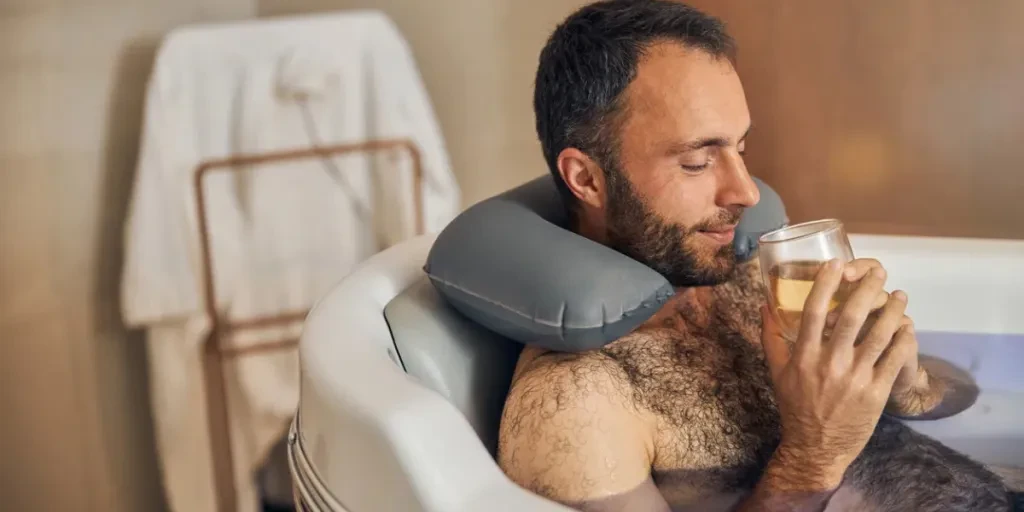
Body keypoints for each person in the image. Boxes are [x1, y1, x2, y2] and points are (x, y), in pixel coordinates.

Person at [496, 1, 1010, 511]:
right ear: (586, 178)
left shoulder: (745, 280)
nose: (747, 193)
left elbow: (958, 400)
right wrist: (813, 458)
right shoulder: (575, 401)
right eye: (697, 162)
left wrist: (909, 386)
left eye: (739, 149)